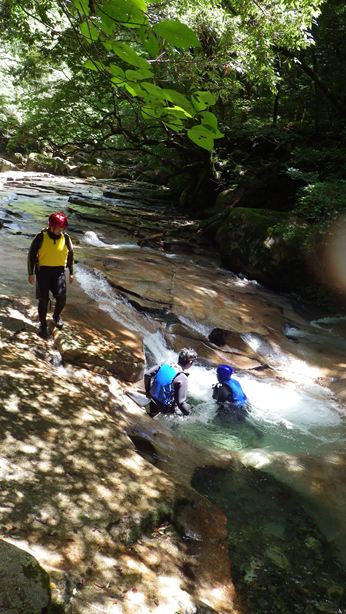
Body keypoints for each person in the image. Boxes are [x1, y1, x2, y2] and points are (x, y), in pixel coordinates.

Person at [27, 211, 74, 338]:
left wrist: (71, 272)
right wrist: (30, 273)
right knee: (44, 300)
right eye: (59, 228)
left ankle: (56, 315)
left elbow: (70, 255)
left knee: (61, 298)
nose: (61, 230)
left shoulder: (66, 238)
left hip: (59, 272)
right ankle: (42, 325)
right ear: (51, 226)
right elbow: (31, 255)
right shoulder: (41, 236)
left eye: (62, 228)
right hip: (43, 273)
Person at [144, 348, 198, 418]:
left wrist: (148, 392)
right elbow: (180, 403)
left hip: (151, 399)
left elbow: (147, 375)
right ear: (190, 362)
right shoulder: (182, 377)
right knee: (188, 409)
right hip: (163, 407)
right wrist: (189, 415)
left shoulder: (165, 363)